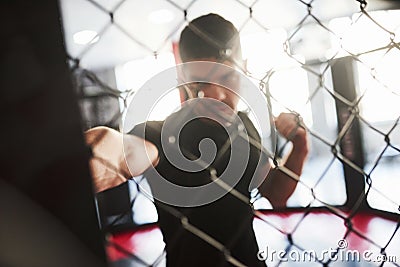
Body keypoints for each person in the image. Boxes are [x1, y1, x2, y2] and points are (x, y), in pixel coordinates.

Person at [86, 13, 309, 267]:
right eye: (202, 82)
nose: (216, 95)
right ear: (184, 80)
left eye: (226, 77)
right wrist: (92, 153)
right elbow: (126, 151)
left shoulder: (245, 126)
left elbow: (276, 193)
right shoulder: (162, 135)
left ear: (244, 68)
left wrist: (300, 146)